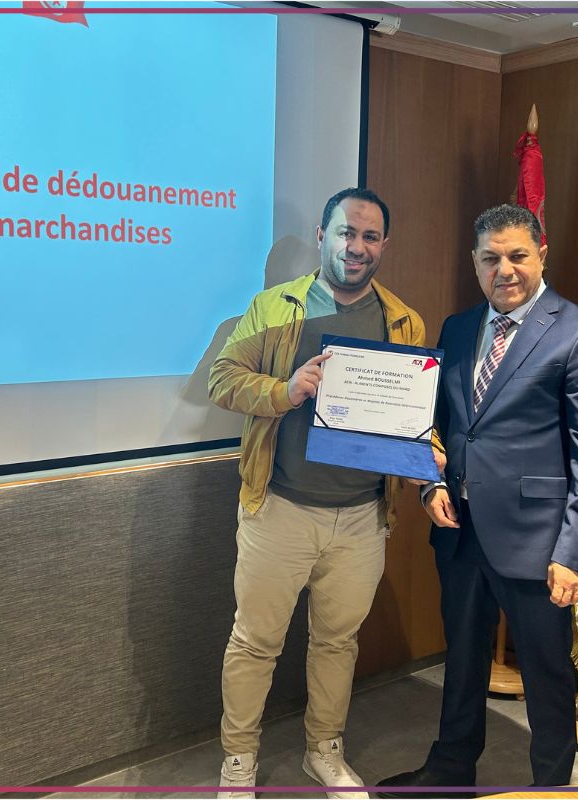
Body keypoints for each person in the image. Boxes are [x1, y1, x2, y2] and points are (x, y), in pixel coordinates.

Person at [377, 204, 578, 796]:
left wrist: (575, 554)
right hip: (459, 531)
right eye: (490, 258)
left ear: (542, 254)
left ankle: (550, 789)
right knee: (463, 660)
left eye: (517, 255)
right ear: (474, 262)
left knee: (547, 676)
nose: (503, 270)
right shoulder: (459, 328)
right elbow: (436, 425)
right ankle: (450, 772)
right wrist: (430, 485)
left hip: (539, 542)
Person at [208, 188, 428, 799]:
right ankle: (238, 762)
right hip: (279, 508)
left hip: (362, 517)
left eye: (369, 237)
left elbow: (408, 416)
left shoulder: (403, 320)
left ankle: (323, 750)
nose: (356, 247)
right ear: (322, 235)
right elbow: (223, 380)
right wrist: (285, 391)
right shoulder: (274, 307)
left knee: (337, 642)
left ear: (383, 245)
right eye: (345, 233)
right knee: (255, 643)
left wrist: (426, 458)